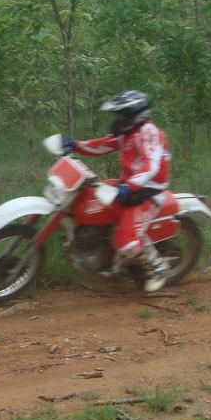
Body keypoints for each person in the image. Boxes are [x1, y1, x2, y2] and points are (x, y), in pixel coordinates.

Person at [64, 90, 172, 293]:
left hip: (147, 192)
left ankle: (157, 268)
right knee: (87, 195)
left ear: (134, 114)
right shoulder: (126, 134)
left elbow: (151, 165)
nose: (118, 119)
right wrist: (75, 145)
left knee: (125, 240)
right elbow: (101, 145)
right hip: (129, 186)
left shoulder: (149, 132)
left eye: (122, 115)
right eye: (117, 115)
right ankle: (101, 247)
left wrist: (129, 186)